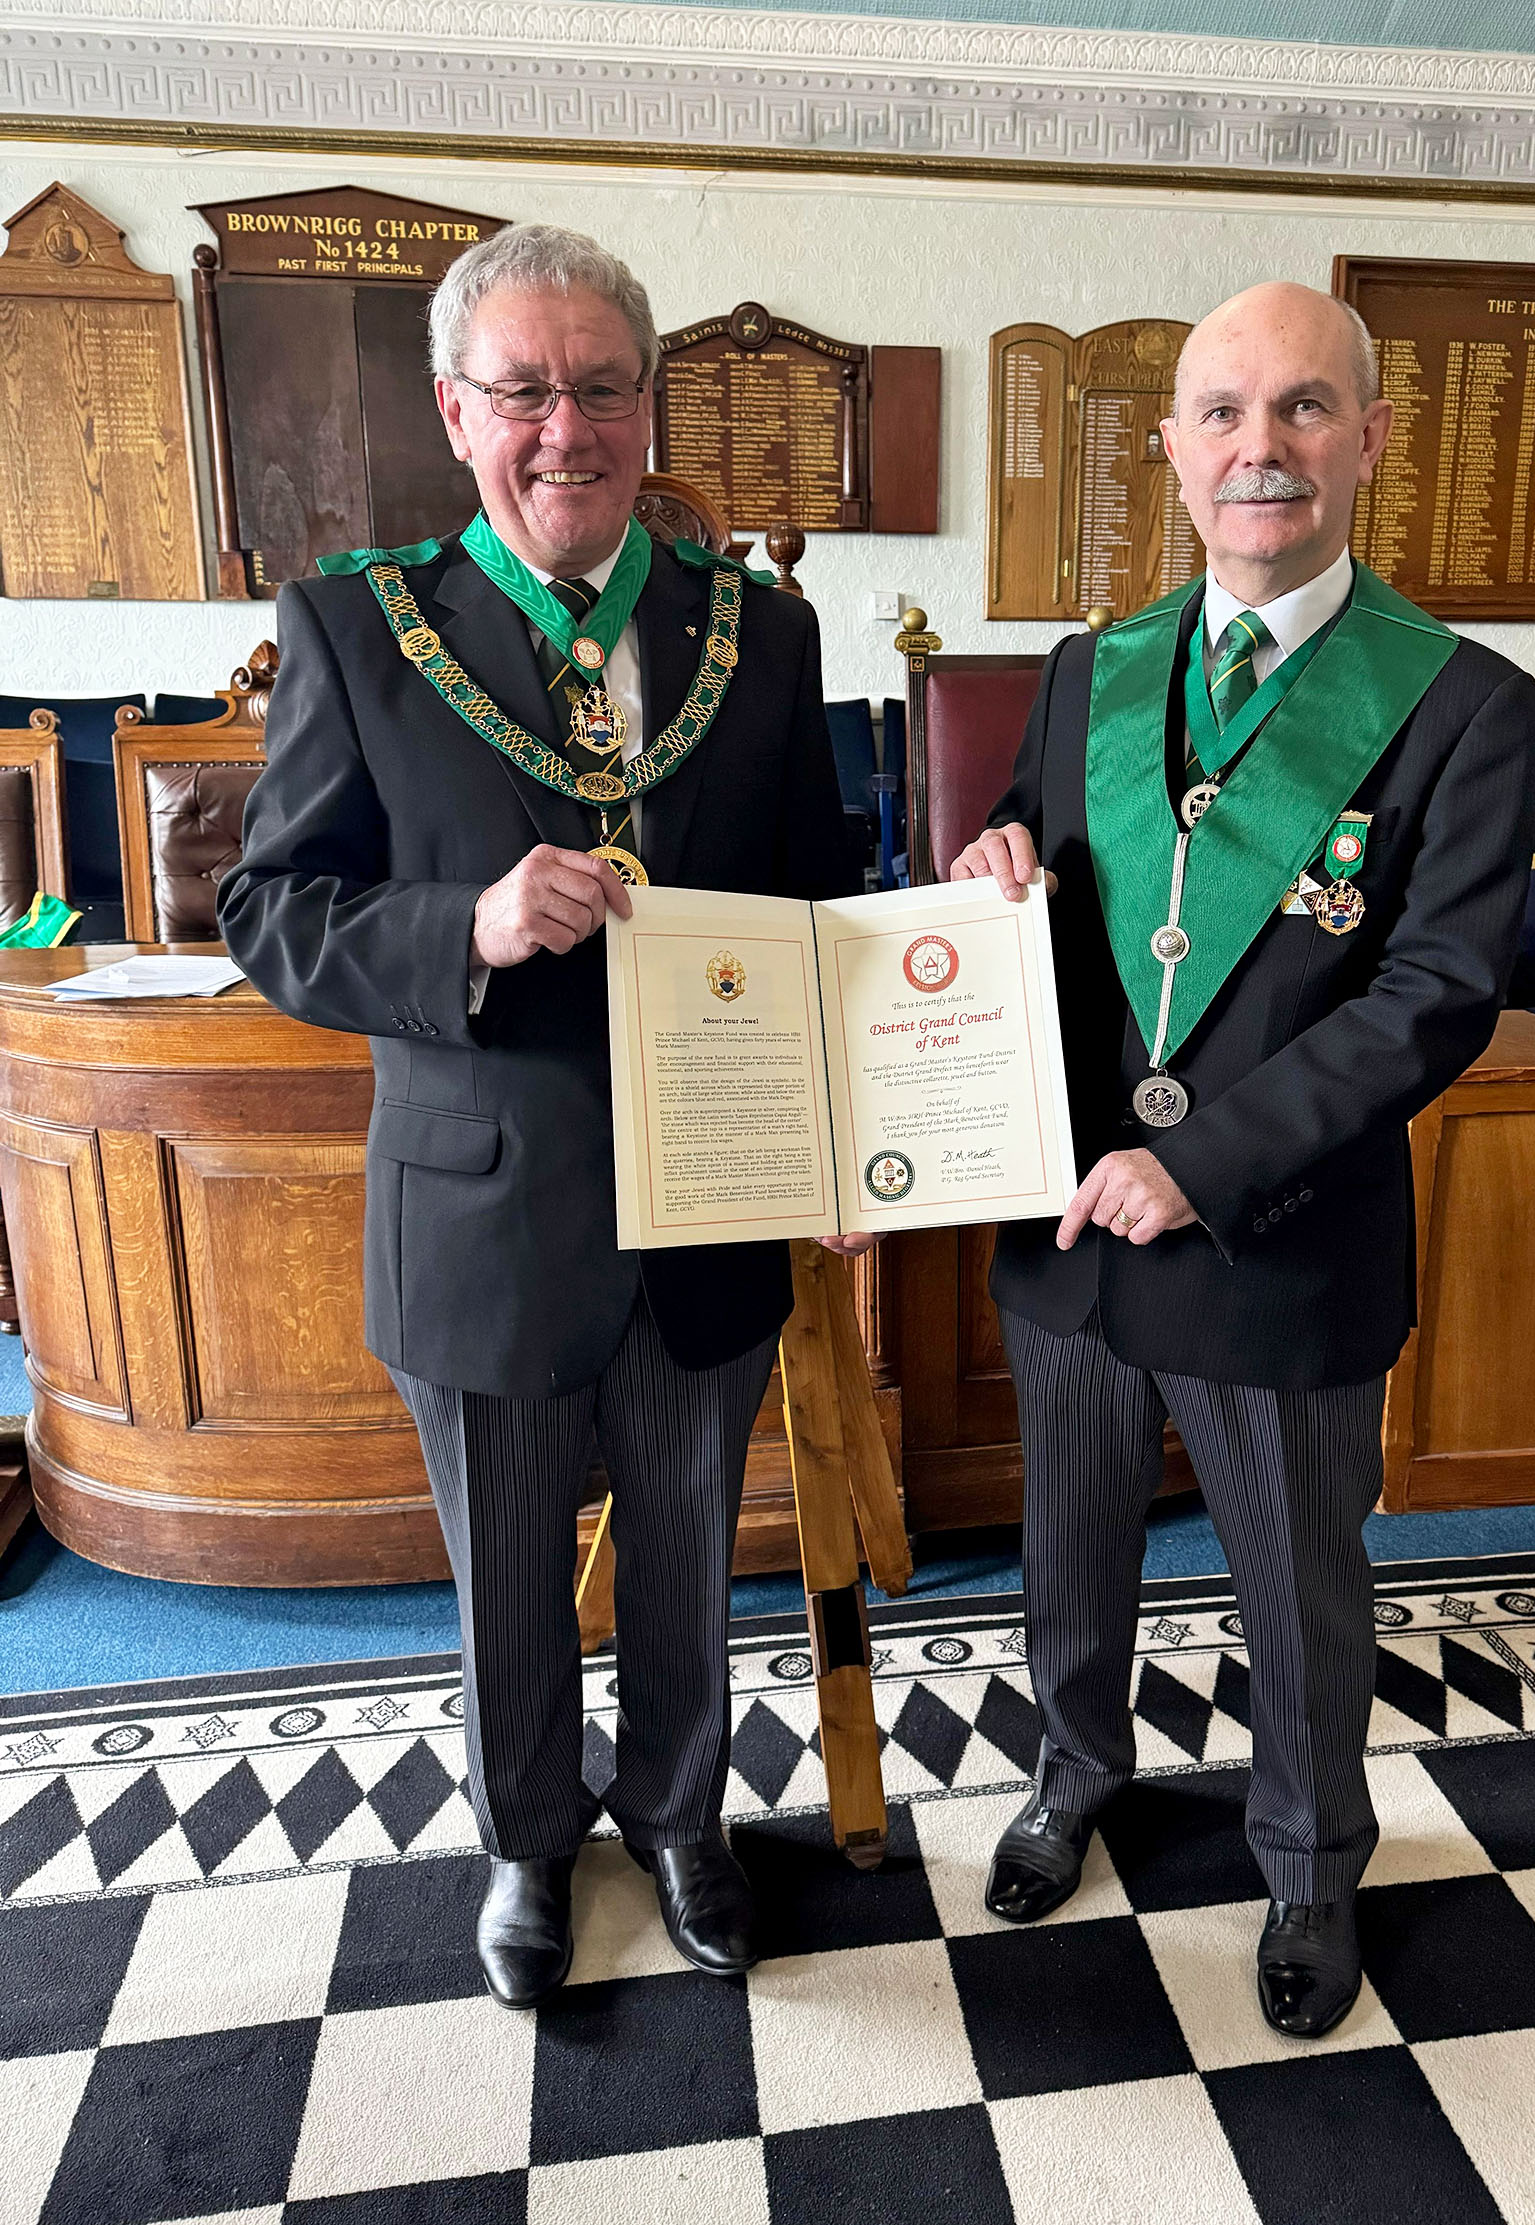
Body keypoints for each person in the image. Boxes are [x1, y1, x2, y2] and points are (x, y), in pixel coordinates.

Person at [219, 224, 859, 2010]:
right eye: (524, 390)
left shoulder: (765, 631)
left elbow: (817, 900)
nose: (564, 427)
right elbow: (273, 912)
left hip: (712, 1192)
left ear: (648, 409)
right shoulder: (356, 623)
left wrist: (851, 1131)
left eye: (599, 388)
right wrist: (472, 927)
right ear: (455, 411)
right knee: (508, 1573)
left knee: (686, 1544)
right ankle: (526, 1839)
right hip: (485, 1206)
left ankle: (678, 1818)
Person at [952, 280, 1535, 2038]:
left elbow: (1436, 998)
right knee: (1069, 1542)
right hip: (1071, 1221)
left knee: (1297, 1584)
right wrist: (995, 860)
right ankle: (1074, 1767)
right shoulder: (1089, 670)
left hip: (1274, 1234)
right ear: (1171, 451)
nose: (1257, 448)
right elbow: (1049, 882)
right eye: (1221, 413)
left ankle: (1306, 1859)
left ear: (1369, 438)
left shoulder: (1466, 703)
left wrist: (1207, 1163)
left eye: (1300, 409)